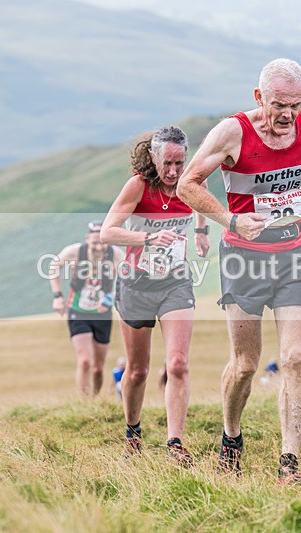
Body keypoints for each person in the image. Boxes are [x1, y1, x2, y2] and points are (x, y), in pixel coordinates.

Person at [177, 58, 301, 484]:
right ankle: (231, 437)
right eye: (278, 104)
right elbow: (187, 184)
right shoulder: (233, 133)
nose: (288, 115)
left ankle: (289, 465)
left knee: (294, 357)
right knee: (246, 364)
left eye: (296, 105)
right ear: (258, 97)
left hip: (296, 253)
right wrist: (230, 220)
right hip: (244, 258)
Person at [101, 125, 210, 466]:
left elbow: (201, 206)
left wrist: (202, 233)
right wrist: (149, 239)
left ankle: (175, 443)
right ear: (153, 157)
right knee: (137, 371)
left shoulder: (192, 182)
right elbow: (108, 232)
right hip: (135, 284)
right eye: (168, 163)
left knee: (177, 364)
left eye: (181, 162)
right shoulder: (138, 186)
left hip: (174, 282)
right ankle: (133, 432)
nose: (175, 171)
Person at [49, 221, 125, 398]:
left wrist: (109, 298)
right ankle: (84, 404)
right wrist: (58, 296)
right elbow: (54, 266)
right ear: (87, 239)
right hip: (78, 311)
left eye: (102, 242)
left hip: (102, 314)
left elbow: (128, 278)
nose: (98, 247)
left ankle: (94, 400)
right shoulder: (75, 252)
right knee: (85, 361)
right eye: (94, 242)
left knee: (98, 368)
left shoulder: (116, 255)